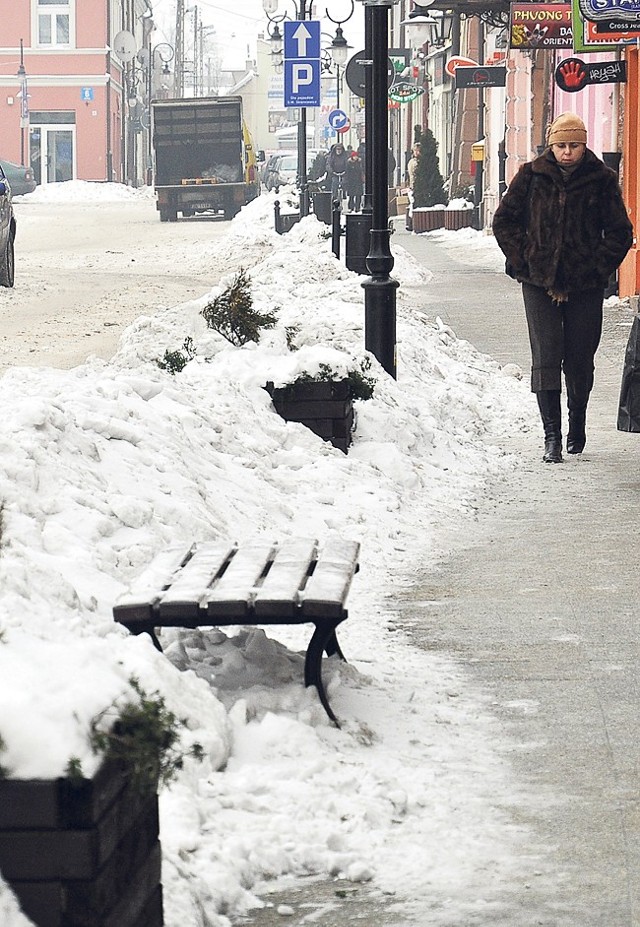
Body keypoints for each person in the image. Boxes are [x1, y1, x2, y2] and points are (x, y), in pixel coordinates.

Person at [492, 113, 633, 464]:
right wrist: (524, 260)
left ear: (584, 145)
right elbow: (504, 221)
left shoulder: (601, 180)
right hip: (539, 282)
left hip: (585, 285)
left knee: (580, 358)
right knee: (546, 357)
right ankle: (551, 436)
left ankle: (578, 420)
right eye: (560, 145)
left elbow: (620, 233)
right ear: (551, 145)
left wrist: (598, 267)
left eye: (574, 145)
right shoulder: (530, 176)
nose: (567, 152)